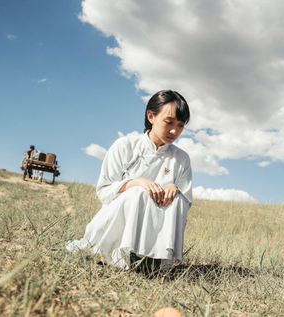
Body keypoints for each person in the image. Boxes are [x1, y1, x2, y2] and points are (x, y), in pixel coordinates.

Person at [67, 90, 193, 272]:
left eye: (180, 125)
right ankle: (123, 253)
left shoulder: (182, 159)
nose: (174, 131)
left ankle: (155, 259)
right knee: (139, 191)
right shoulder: (124, 146)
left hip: (157, 227)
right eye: (169, 122)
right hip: (115, 223)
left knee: (178, 199)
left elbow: (186, 203)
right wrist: (135, 183)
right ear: (151, 116)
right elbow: (103, 192)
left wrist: (175, 188)